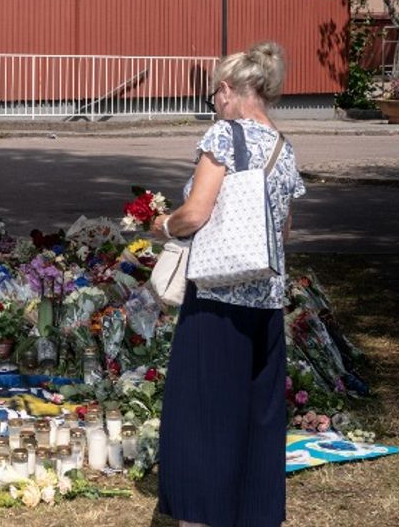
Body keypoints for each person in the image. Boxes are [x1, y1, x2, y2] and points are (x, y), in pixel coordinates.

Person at [151, 41, 306, 527]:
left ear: (225, 90)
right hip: (266, 298)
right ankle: (257, 512)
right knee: (257, 412)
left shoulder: (223, 136)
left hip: (217, 295)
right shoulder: (285, 148)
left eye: (214, 94)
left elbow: (195, 214)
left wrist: (162, 226)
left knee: (201, 411)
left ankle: (199, 513)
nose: (213, 104)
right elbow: (282, 232)